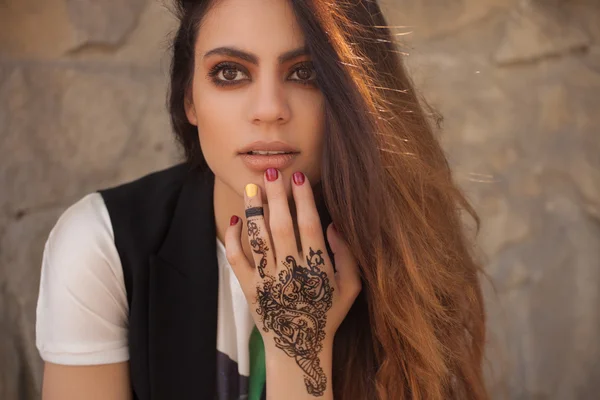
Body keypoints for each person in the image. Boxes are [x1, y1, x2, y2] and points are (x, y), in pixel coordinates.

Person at [35, 0, 489, 399]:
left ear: (353, 95)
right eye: (230, 72)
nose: (270, 108)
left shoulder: (403, 253)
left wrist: (299, 351)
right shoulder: (102, 245)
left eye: (305, 73)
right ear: (189, 98)